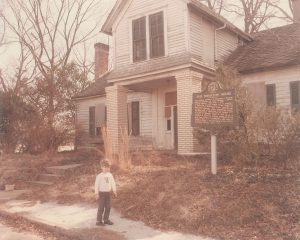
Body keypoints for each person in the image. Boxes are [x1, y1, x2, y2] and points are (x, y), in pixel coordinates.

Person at [95, 159, 117, 226]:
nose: (106, 168)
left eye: (107, 167)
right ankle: (98, 221)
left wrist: (114, 190)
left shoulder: (110, 175)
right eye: (104, 167)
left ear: (109, 168)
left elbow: (113, 183)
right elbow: (96, 185)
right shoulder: (99, 176)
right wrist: (96, 193)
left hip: (108, 193)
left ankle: (106, 220)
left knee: (108, 207)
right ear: (101, 167)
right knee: (101, 207)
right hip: (101, 194)